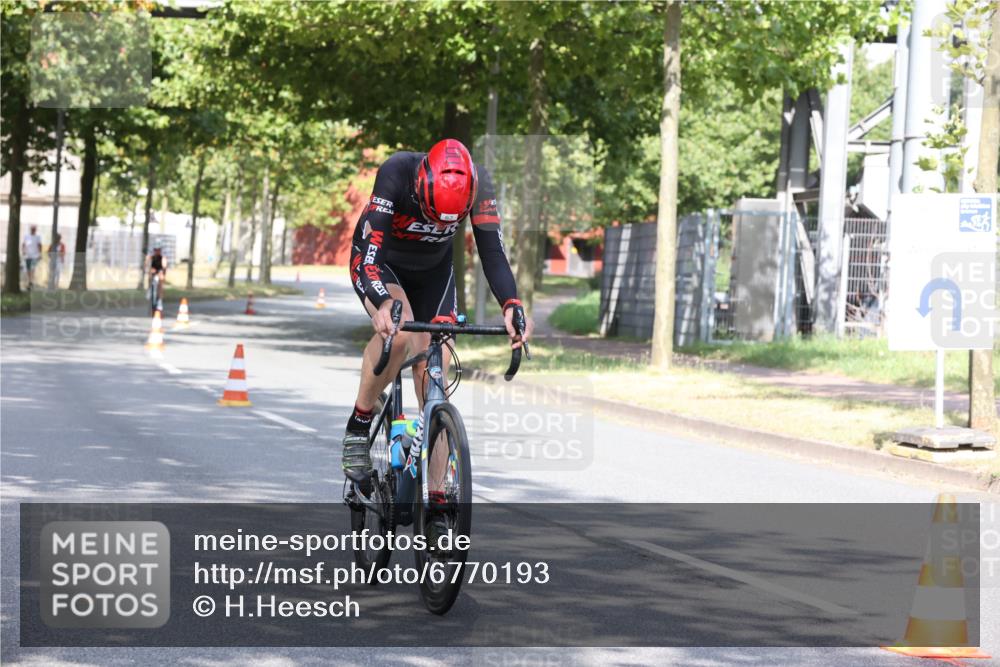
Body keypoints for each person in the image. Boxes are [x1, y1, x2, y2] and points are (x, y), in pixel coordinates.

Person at [342, 138, 533, 483]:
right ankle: (359, 422)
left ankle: (439, 501)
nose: (437, 224)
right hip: (381, 264)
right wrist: (384, 302)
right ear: (421, 185)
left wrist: (511, 303)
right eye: (431, 215)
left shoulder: (480, 182)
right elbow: (372, 253)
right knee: (398, 334)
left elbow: (492, 252)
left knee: (434, 375)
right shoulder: (396, 172)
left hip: (434, 274)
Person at [146, 243, 168, 314]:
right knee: (149, 276)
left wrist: (163, 271)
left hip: (159, 273)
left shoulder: (162, 258)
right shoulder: (151, 257)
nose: (157, 251)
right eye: (155, 250)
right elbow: (146, 264)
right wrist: (147, 264)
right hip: (152, 273)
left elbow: (164, 266)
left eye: (158, 250)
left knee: (161, 280)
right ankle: (149, 289)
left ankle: (160, 301)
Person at [21, 225, 43, 290]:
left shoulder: (38, 237)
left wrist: (40, 254)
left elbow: (40, 245)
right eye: (32, 229)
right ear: (30, 229)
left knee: (32, 268)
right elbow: (23, 244)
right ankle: (30, 281)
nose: (33, 230)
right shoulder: (26, 236)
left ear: (35, 230)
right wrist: (23, 251)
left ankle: (31, 282)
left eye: (34, 229)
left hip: (35, 256)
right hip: (28, 255)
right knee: (28, 269)